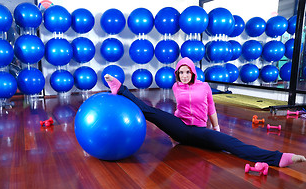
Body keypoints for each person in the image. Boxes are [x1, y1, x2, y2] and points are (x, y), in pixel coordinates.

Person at [104, 57, 306, 167]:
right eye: (180, 72)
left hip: (200, 130)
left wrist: (216, 128)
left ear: (192, 72)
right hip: (181, 127)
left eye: (186, 72)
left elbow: (211, 108)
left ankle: (278, 158)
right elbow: (179, 109)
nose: (183, 75)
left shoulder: (204, 87)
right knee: (152, 113)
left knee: (231, 144)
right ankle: (120, 89)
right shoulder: (176, 87)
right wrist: (172, 130)